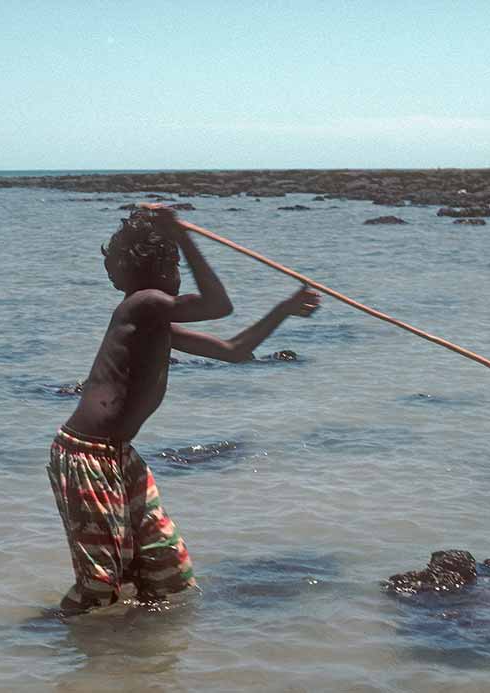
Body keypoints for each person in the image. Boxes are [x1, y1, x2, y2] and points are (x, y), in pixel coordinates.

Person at [49, 205, 320, 612]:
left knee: (166, 570)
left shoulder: (155, 321)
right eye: (175, 264)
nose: (178, 274)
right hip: (87, 454)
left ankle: (134, 645)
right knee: (100, 584)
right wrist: (183, 236)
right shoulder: (142, 304)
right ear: (159, 268)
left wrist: (284, 309)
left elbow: (235, 350)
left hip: (117, 455)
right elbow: (218, 305)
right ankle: (56, 636)